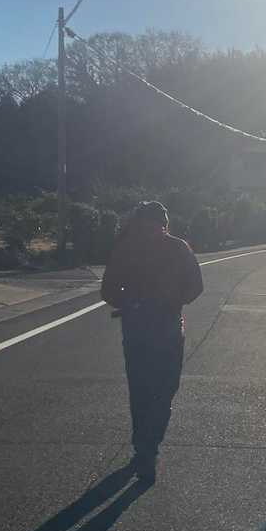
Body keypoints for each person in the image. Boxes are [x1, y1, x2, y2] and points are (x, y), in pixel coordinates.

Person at [101, 200, 204, 480]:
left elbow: (108, 289)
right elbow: (196, 286)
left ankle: (144, 447)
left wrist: (131, 303)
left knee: (141, 390)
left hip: (138, 329)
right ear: (165, 222)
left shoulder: (127, 247)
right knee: (163, 389)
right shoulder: (177, 247)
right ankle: (149, 446)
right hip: (166, 329)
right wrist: (171, 302)